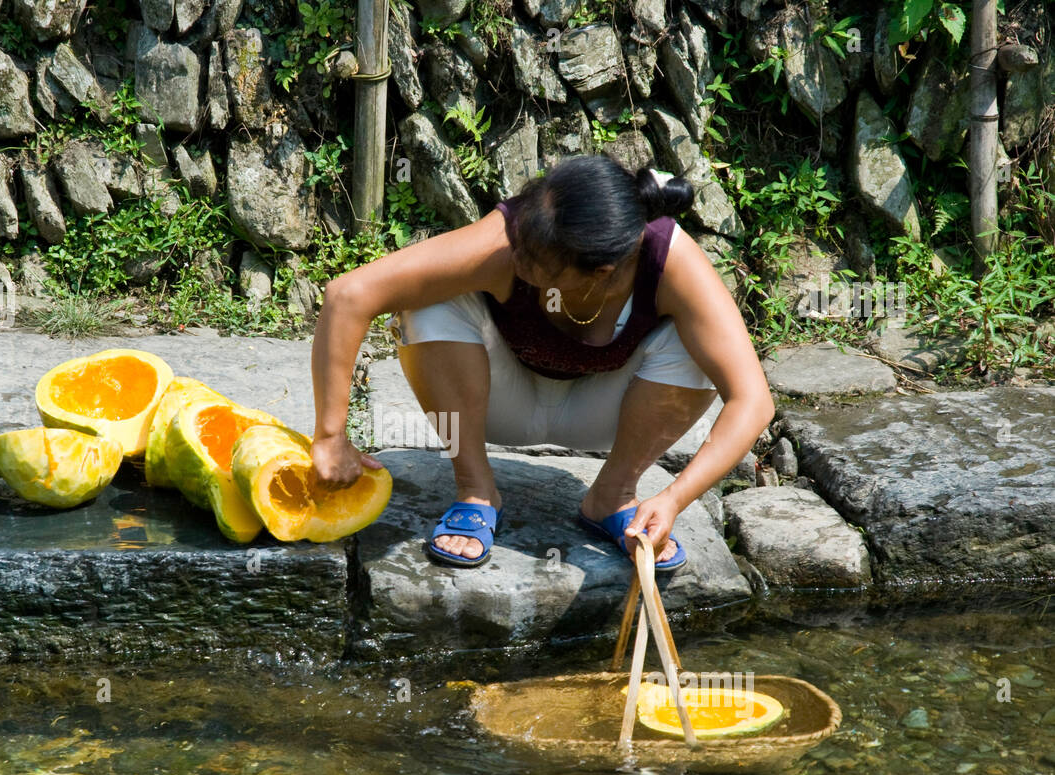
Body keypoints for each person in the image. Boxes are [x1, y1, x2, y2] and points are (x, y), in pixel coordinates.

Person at [309, 155, 774, 570]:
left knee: (700, 348)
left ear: (601, 270)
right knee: (426, 303)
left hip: (608, 415)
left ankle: (613, 497)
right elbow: (347, 294)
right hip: (494, 403)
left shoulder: (670, 263)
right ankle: (475, 489)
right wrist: (330, 437)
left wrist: (674, 498)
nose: (518, 259)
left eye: (536, 262)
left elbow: (753, 400)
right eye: (520, 243)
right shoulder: (508, 240)